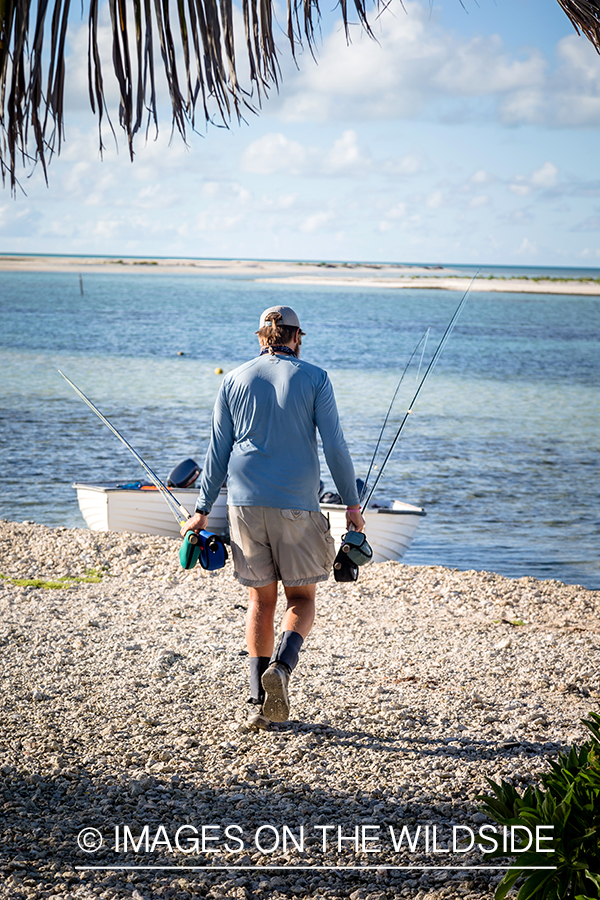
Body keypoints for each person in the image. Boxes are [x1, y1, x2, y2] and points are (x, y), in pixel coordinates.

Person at [181, 305, 365, 730]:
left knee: (260, 601)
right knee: (301, 599)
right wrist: (353, 507)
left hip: (244, 504)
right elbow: (335, 447)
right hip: (298, 504)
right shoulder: (315, 377)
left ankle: (254, 703)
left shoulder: (233, 379)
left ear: (261, 337)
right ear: (297, 337)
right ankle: (281, 668)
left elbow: (217, 452)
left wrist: (202, 510)